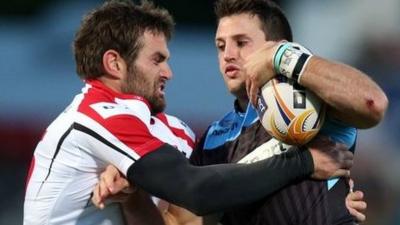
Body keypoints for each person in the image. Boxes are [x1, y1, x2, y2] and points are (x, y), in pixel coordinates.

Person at [22, 1, 354, 225]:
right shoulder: (93, 117)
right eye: (156, 60)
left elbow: (195, 208)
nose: (169, 73)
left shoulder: (176, 133)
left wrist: (328, 210)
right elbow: (196, 190)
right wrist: (304, 163)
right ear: (114, 63)